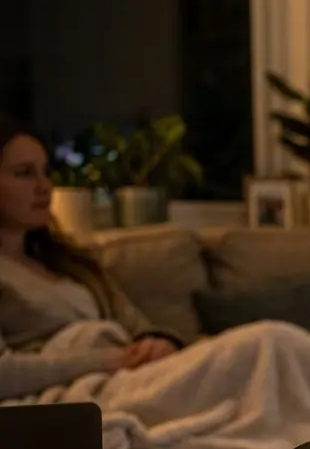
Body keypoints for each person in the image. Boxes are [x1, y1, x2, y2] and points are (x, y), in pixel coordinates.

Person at [0, 117, 187, 401]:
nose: (44, 186)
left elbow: (140, 328)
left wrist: (160, 343)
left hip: (136, 377)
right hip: (84, 392)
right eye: (25, 173)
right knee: (266, 344)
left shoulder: (71, 261)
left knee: (270, 342)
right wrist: (106, 361)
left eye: (46, 172)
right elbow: (5, 373)